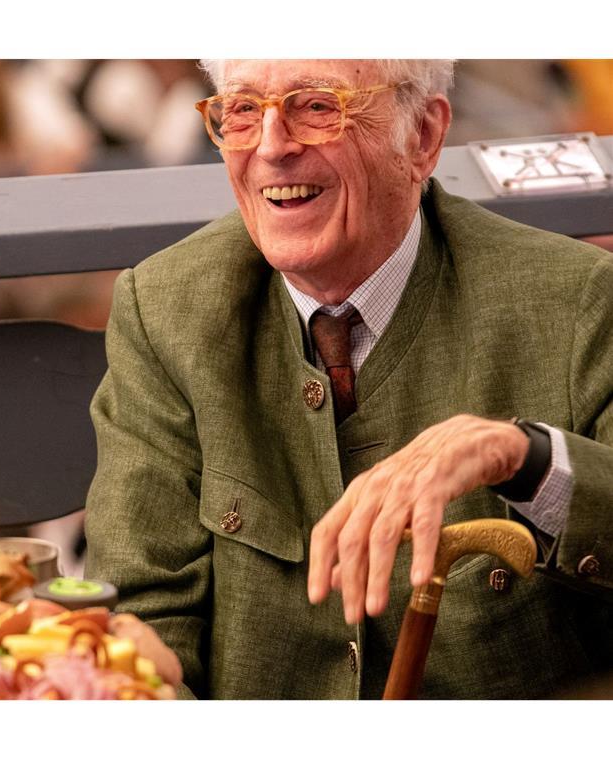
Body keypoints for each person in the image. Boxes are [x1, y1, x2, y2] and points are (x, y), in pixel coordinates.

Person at [83, 59, 613, 699]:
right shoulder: (166, 309)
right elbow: (145, 607)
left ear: (421, 137)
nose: (272, 148)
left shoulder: (575, 301)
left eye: (317, 106)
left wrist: (521, 456)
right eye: (244, 110)